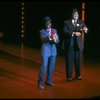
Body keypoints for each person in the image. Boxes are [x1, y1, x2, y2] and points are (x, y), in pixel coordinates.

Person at [63, 8, 88, 81]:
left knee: (78, 61)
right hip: (70, 45)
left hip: (78, 45)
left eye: (77, 14)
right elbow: (64, 31)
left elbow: (85, 28)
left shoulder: (81, 22)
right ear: (72, 15)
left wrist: (85, 29)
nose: (76, 15)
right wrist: (73, 33)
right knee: (69, 61)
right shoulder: (66, 22)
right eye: (75, 14)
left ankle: (78, 75)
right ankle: (69, 76)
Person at [38, 16, 59, 89]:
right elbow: (43, 40)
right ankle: (40, 83)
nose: (48, 24)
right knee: (44, 66)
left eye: (49, 23)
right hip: (45, 52)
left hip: (53, 52)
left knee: (51, 67)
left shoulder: (54, 30)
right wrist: (50, 37)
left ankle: (48, 81)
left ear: (51, 23)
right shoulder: (42, 31)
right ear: (44, 24)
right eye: (46, 23)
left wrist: (55, 39)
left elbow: (57, 41)